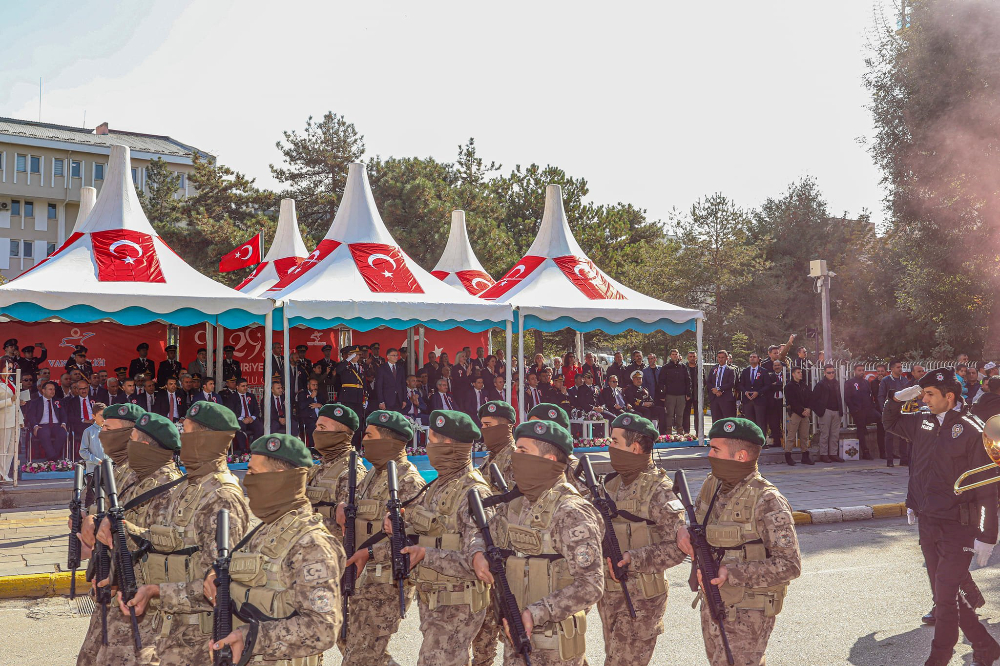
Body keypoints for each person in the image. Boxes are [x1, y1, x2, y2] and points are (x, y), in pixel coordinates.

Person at [120, 402, 251, 665]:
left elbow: (220, 586)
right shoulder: (188, 487)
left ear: (204, 439)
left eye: (187, 432)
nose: (181, 439)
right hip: (173, 635)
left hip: (200, 642)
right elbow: (168, 545)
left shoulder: (221, 496)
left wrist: (156, 590)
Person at [885, 369, 1000, 666]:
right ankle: (986, 646)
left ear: (949, 397)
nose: (924, 399)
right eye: (923, 393)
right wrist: (898, 397)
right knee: (944, 594)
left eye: (929, 394)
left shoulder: (972, 430)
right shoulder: (923, 421)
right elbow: (890, 421)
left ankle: (937, 659)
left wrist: (987, 535)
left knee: (945, 598)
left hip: (959, 526)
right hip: (928, 520)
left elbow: (987, 487)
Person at [468, 419, 604, 666]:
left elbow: (591, 584)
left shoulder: (571, 511)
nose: (514, 458)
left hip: (554, 644)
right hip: (515, 632)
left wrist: (536, 612)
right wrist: (478, 553)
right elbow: (485, 533)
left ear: (548, 460)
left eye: (523, 451)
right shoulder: (517, 503)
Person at [203, 433, 343, 663]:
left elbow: (322, 629)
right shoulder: (265, 530)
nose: (246, 480)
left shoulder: (311, 544)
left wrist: (251, 638)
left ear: (279, 478)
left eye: (253, 473)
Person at [677, 417, 801, 666]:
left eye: (715, 449)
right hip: (714, 600)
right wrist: (684, 530)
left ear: (741, 456)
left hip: (749, 609)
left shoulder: (768, 500)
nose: (709, 454)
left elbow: (790, 565)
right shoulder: (713, 485)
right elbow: (699, 526)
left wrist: (731, 573)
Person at [387, 410, 491, 665]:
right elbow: (435, 533)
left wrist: (426, 555)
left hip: (458, 603)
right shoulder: (438, 486)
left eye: (431, 441)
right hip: (434, 600)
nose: (427, 447)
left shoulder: (474, 492)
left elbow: (480, 560)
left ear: (447, 445)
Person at [92, 411, 184, 665]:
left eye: (130, 438)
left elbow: (168, 546)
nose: (125, 444)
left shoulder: (171, 486)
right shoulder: (138, 476)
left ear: (143, 445)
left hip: (144, 598)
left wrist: (124, 528)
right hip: (121, 587)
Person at [596, 413, 687, 666]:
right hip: (611, 594)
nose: (609, 447)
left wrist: (633, 558)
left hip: (641, 598)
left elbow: (678, 549)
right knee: (613, 656)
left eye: (615, 442)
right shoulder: (611, 484)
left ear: (634, 448)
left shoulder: (660, 490)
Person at [339, 411, 426, 666]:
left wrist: (370, 552)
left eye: (369, 435)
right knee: (353, 646)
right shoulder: (371, 476)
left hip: (385, 582)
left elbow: (412, 539)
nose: (363, 441)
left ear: (388, 442)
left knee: (359, 657)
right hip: (360, 579)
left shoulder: (408, 481)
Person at [306, 403, 366, 537]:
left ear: (341, 434)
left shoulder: (351, 471)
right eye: (316, 427)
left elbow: (345, 528)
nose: (316, 432)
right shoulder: (321, 466)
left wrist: (301, 521)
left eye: (322, 427)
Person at [844, 364, 881, 462]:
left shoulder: (866, 382)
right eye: (859, 370)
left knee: (880, 419)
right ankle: (865, 451)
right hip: (858, 411)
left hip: (868, 410)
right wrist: (854, 410)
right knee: (861, 428)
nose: (861, 372)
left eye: (863, 370)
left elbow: (870, 395)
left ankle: (883, 449)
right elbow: (847, 398)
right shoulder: (850, 383)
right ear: (855, 371)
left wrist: (872, 407)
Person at [879, 360, 911, 465]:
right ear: (892, 369)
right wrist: (884, 410)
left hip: (903, 410)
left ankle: (904, 459)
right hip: (891, 412)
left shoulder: (904, 380)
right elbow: (881, 396)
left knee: (903, 435)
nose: (900, 369)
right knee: (889, 435)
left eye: (901, 366)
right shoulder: (886, 380)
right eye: (898, 367)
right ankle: (889, 460)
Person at [335, 345, 367, 449]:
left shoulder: (360, 366)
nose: (358, 357)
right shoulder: (345, 366)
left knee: (358, 422)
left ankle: (356, 446)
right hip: (348, 398)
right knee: (348, 422)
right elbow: (338, 370)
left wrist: (365, 396)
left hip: (358, 398)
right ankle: (346, 446)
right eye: (355, 355)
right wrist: (347, 359)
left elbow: (363, 383)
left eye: (358, 355)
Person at [811, 364, 844, 463]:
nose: (831, 374)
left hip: (836, 411)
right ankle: (824, 454)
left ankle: (833, 454)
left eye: (833, 372)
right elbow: (813, 399)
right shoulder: (821, 384)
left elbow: (839, 397)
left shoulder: (836, 383)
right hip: (826, 411)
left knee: (835, 434)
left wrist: (840, 411)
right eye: (829, 372)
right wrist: (821, 411)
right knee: (825, 434)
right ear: (824, 373)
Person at [784, 366, 815, 465]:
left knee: (804, 436)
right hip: (795, 414)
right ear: (793, 374)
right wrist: (802, 410)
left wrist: (809, 408)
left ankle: (805, 456)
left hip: (805, 413)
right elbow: (792, 401)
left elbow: (810, 398)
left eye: (801, 372)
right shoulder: (789, 386)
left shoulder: (804, 385)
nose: (800, 374)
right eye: (798, 372)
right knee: (791, 436)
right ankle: (788, 455)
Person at [657, 349, 689, 435]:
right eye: (673, 354)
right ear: (670, 356)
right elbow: (661, 381)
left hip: (681, 395)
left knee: (680, 414)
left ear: (679, 355)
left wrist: (688, 393)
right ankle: (669, 431)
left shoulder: (683, 367)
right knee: (669, 414)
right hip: (669, 395)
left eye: (676, 354)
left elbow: (688, 380)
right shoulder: (666, 367)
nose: (675, 356)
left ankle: (679, 430)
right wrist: (662, 395)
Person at [739, 353, 769, 432]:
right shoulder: (745, 371)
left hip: (759, 401)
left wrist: (758, 392)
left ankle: (761, 441)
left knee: (760, 422)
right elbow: (740, 384)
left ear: (758, 359)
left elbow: (767, 385)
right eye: (751, 357)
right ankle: (750, 441)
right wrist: (745, 392)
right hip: (748, 400)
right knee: (749, 422)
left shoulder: (763, 371)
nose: (752, 358)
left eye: (754, 357)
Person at [78, 402, 107, 474]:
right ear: (93, 416)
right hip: (93, 470)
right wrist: (97, 461)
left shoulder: (110, 430)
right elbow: (83, 452)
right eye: (101, 415)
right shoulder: (88, 431)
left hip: (108, 469)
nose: (104, 417)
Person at [707, 350, 737, 421]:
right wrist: (715, 390)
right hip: (715, 398)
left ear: (727, 358)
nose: (720, 359)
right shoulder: (714, 369)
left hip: (726, 398)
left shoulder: (731, 370)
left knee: (727, 420)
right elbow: (708, 382)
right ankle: (716, 432)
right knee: (716, 420)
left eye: (722, 357)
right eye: (719, 357)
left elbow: (731, 383)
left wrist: (719, 389)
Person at [297, 378, 324, 444]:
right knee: (313, 427)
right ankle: (313, 449)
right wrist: (311, 397)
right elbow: (301, 406)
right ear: (308, 386)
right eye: (313, 385)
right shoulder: (302, 394)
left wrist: (320, 405)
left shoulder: (319, 394)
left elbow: (325, 405)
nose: (315, 387)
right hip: (308, 418)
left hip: (320, 418)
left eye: (316, 385)